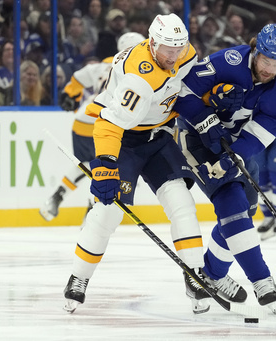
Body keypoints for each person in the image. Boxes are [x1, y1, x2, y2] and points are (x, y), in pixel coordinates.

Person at [62, 14, 211, 315]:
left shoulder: (186, 53)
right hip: (124, 141)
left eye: (179, 47)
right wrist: (104, 166)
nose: (175, 55)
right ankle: (79, 277)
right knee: (107, 214)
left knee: (182, 203)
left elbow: (189, 86)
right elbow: (108, 124)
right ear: (152, 43)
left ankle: (194, 275)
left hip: (158, 137)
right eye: (169, 49)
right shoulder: (139, 78)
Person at [174, 23, 276, 308]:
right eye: (266, 60)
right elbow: (182, 92)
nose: (270, 69)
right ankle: (261, 279)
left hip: (236, 146)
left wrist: (236, 155)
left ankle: (208, 275)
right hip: (194, 139)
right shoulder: (226, 61)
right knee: (231, 201)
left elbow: (260, 135)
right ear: (256, 51)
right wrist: (205, 119)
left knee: (245, 212)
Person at [40, 32, 146, 222]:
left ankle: (58, 195)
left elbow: (78, 77)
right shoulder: (139, 69)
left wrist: (71, 95)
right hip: (109, 125)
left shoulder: (103, 65)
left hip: (84, 121)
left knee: (87, 165)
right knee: (106, 169)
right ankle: (91, 211)